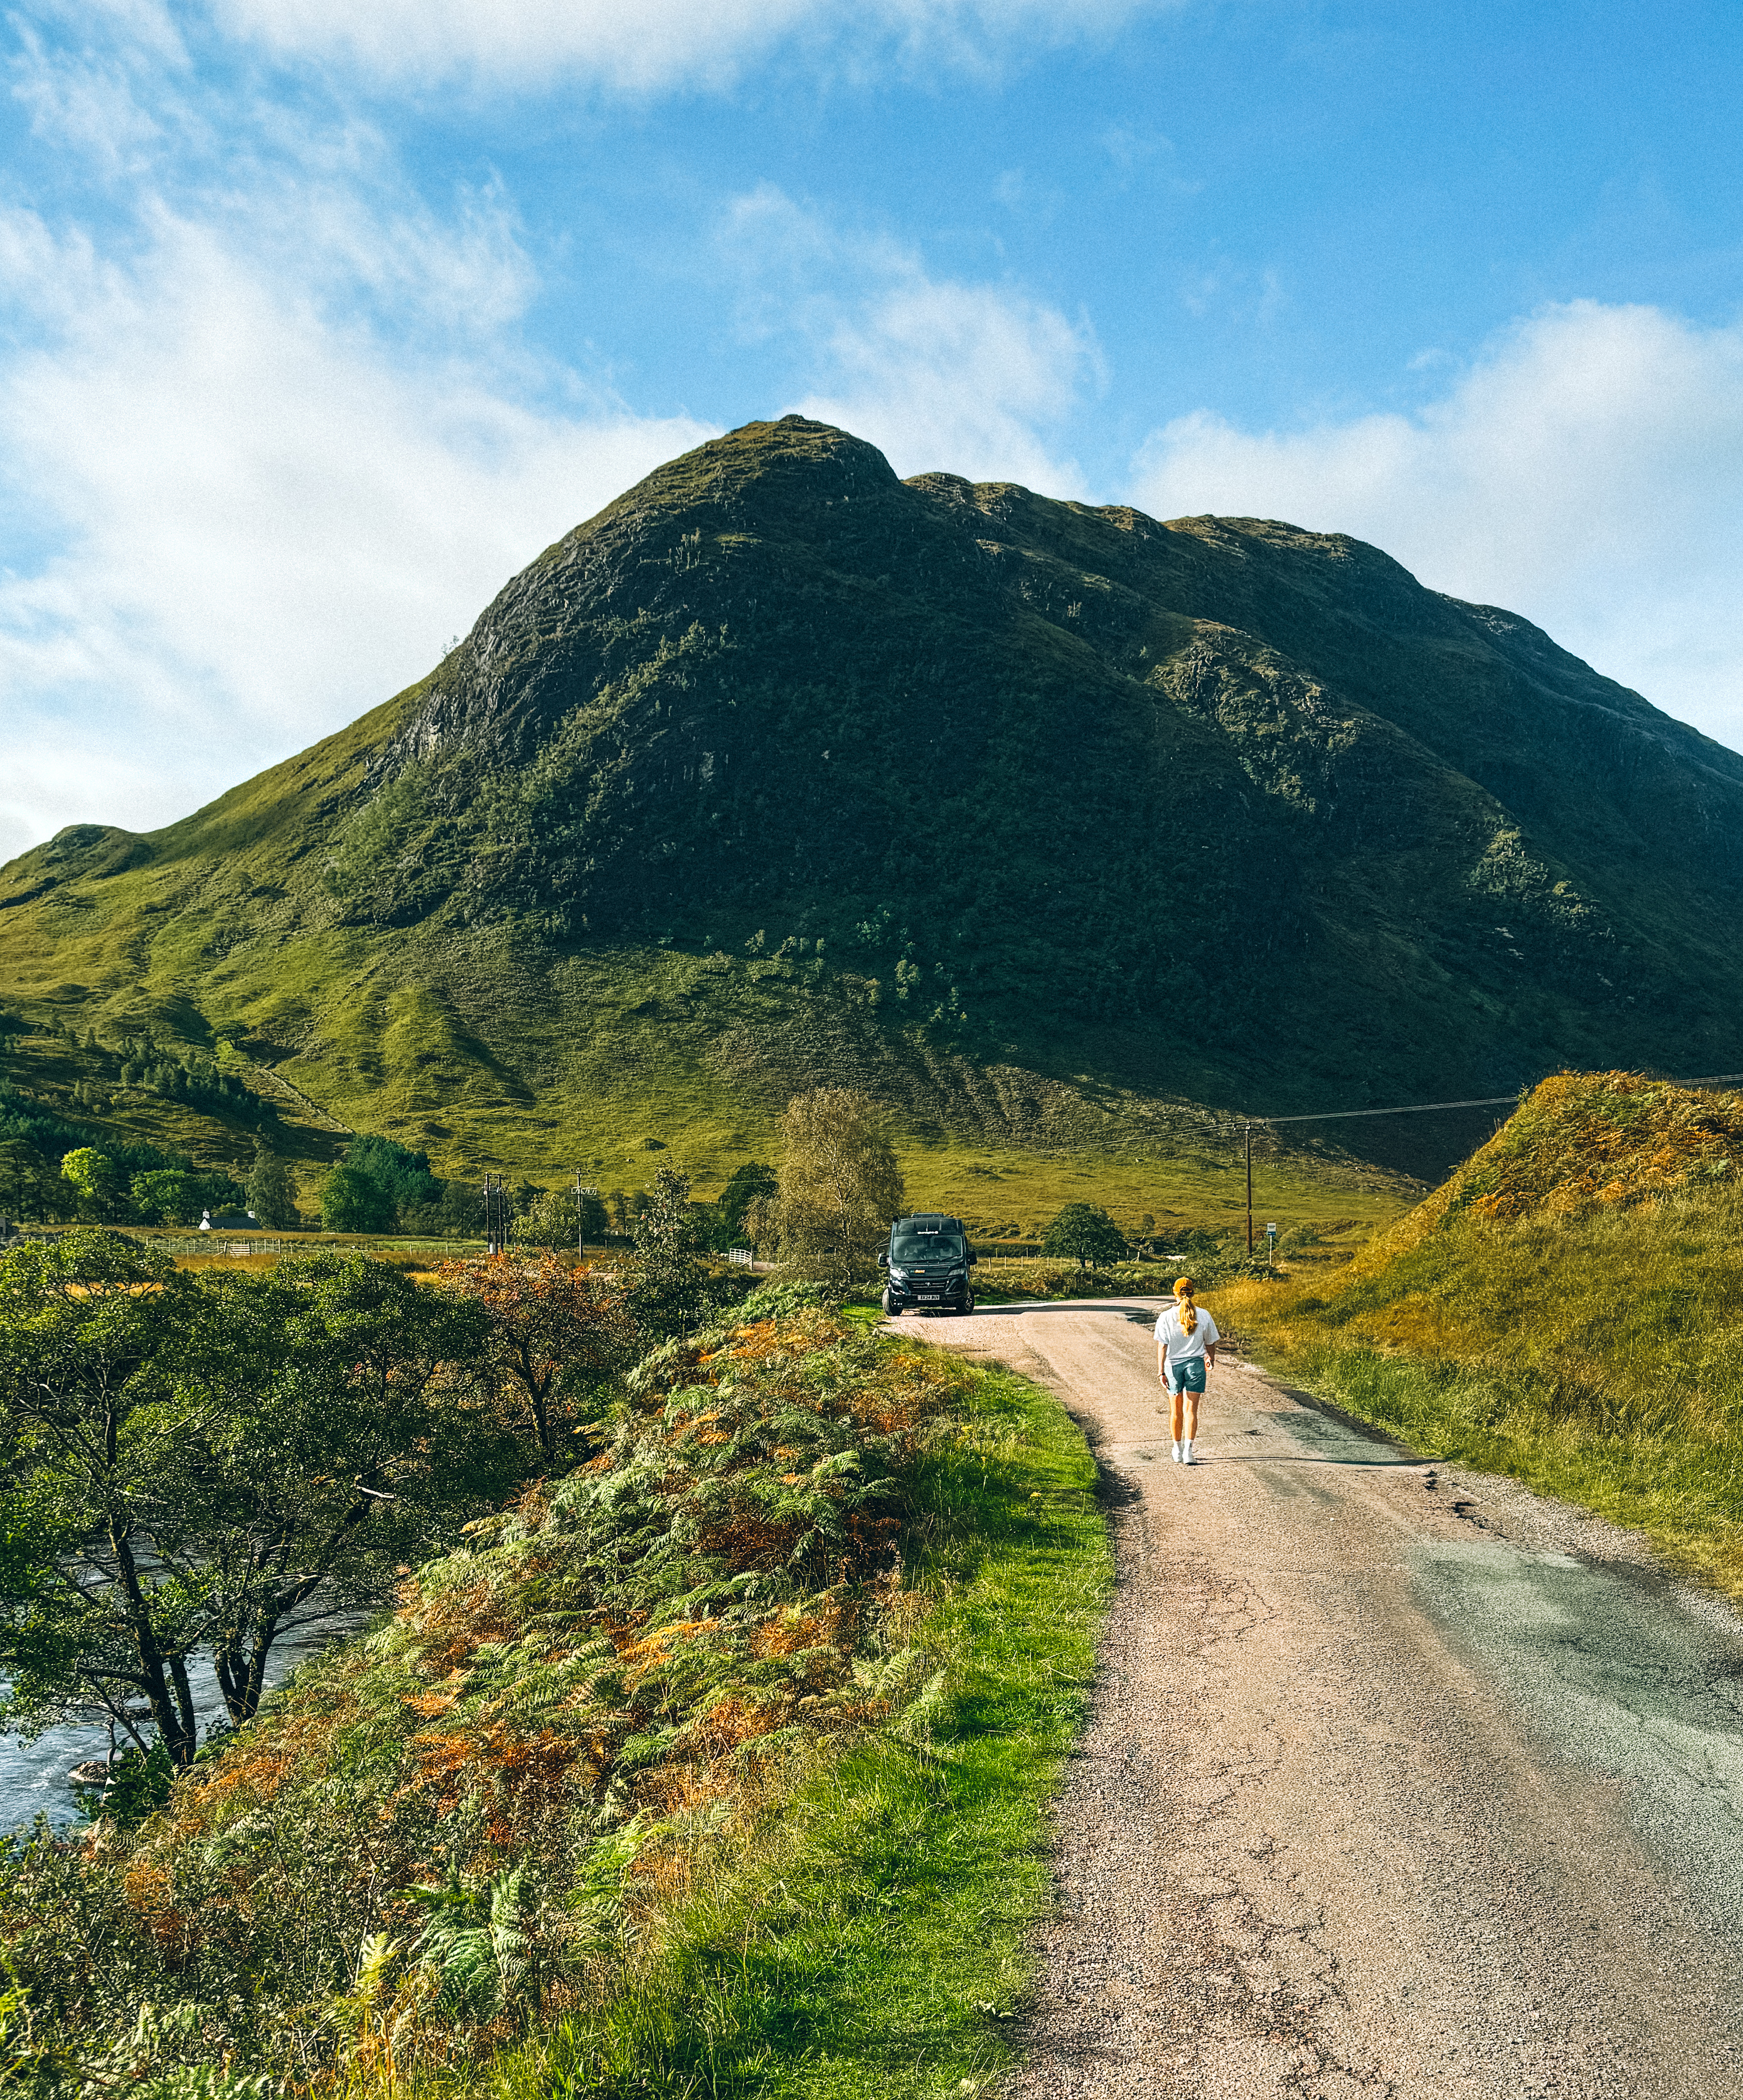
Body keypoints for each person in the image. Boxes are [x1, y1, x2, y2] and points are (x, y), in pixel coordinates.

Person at [1156, 1275, 1219, 1465]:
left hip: (1173, 1367)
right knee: (1191, 1411)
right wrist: (1211, 1358)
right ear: (1193, 1292)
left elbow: (1163, 1346)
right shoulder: (1204, 1314)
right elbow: (1211, 1342)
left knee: (1176, 1412)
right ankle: (1189, 1453)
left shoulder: (1166, 1316)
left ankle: (1177, 1448)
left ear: (1174, 1294)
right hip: (1196, 1366)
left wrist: (1161, 1371)